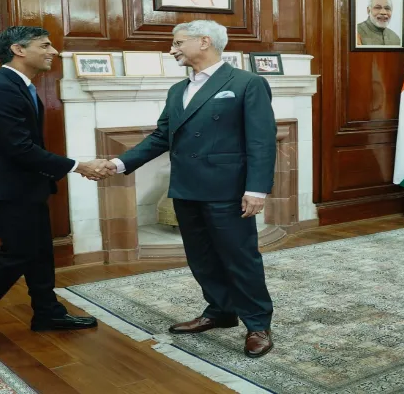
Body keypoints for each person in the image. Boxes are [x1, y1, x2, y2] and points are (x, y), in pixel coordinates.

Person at [106, 20, 277, 358]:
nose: (172, 49)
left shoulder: (247, 83)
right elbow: (160, 138)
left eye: (178, 43)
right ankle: (220, 311)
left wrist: (257, 189)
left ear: (204, 42)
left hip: (227, 190)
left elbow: (262, 140)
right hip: (186, 188)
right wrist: (119, 164)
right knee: (201, 257)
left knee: (240, 258)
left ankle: (258, 323)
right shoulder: (176, 91)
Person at [0, 26, 112, 352]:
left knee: (41, 251)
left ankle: (47, 312)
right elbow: (18, 148)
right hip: (3, 188)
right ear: (18, 49)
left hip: (25, 185)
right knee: (18, 253)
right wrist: (78, 165)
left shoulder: (20, 87)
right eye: (45, 45)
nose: (53, 51)